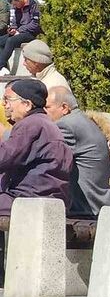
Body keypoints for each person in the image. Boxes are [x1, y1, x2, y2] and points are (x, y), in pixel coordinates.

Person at [0, 80, 72, 215]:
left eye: (8, 100)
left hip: (29, 198)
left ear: (27, 104)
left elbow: (5, 157)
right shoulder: (45, 122)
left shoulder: (31, 124)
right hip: (47, 197)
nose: (5, 105)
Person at [44, 86, 110, 218]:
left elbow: (49, 158)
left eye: (47, 107)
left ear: (64, 108)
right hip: (99, 205)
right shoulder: (83, 121)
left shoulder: (66, 125)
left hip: (85, 210)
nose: (44, 112)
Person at [0, 0, 41, 75]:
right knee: (1, 40)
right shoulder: (17, 7)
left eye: (15, 4)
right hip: (19, 32)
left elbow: (35, 24)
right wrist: (13, 29)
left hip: (30, 33)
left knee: (10, 41)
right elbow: (15, 21)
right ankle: (4, 67)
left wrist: (20, 30)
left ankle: (0, 66)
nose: (14, 7)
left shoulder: (33, 4)